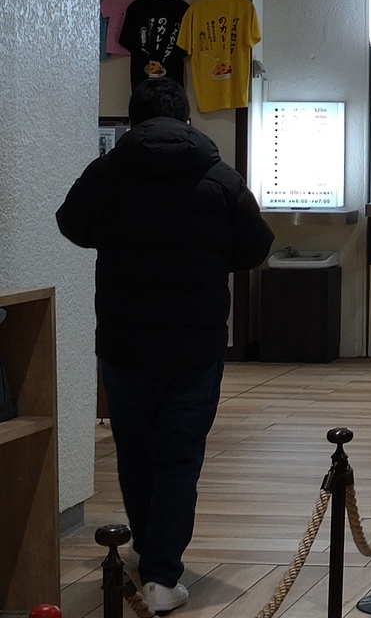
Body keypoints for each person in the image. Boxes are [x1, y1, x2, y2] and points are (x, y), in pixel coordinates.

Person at [56, 78, 274, 612]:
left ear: (133, 121)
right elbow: (256, 246)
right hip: (195, 345)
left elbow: (71, 224)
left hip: (124, 341)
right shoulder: (219, 177)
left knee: (134, 451)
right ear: (187, 120)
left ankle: (148, 552)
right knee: (179, 456)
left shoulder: (108, 172)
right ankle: (160, 573)